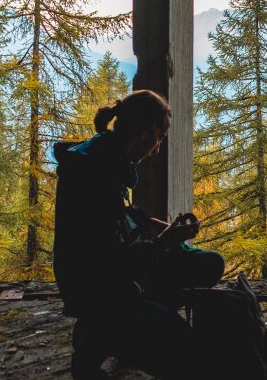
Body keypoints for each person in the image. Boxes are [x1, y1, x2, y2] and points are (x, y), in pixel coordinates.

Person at [53, 89, 225, 379]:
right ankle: (101, 335)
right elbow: (113, 262)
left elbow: (119, 219)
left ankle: (140, 318)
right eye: (161, 137)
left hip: (116, 280)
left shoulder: (102, 157)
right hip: (101, 293)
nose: (158, 148)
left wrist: (156, 226)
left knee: (208, 264)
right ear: (148, 132)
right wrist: (163, 243)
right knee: (196, 357)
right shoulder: (98, 175)